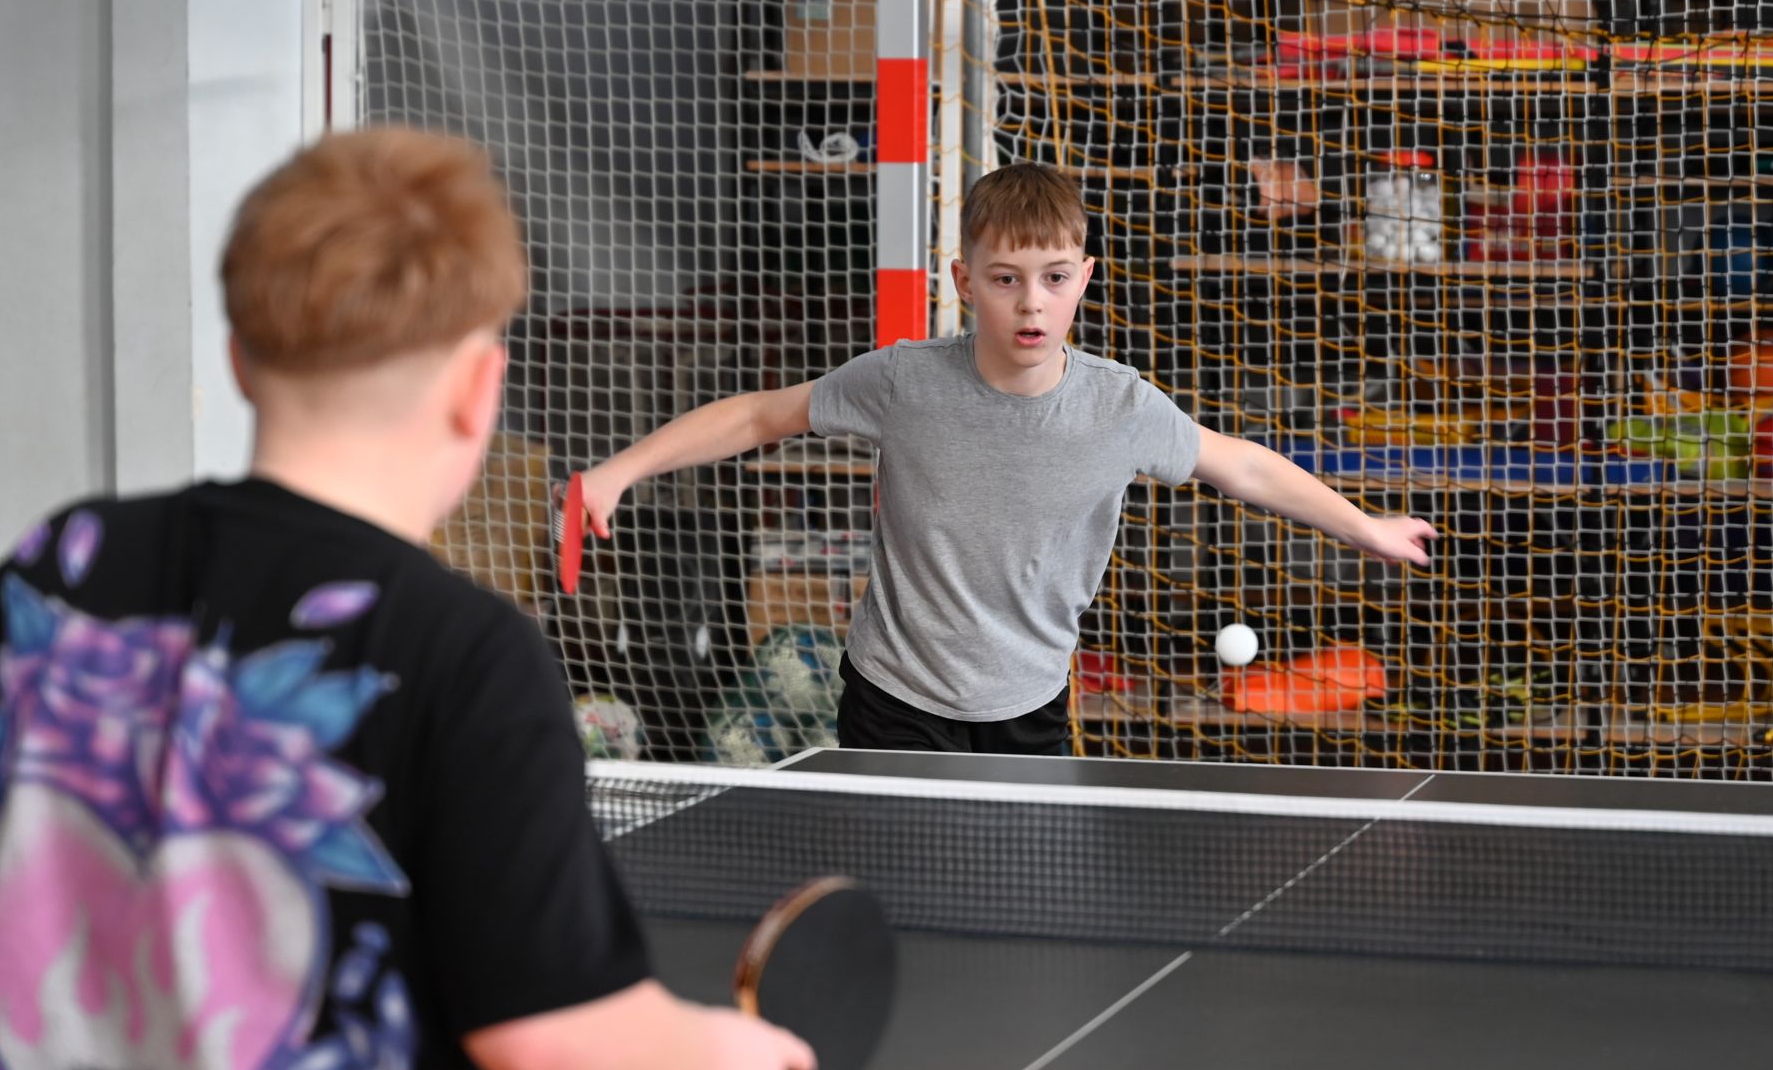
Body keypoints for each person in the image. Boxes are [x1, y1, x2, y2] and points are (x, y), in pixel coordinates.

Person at [0, 127, 812, 1070]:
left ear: (240, 356)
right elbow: (553, 1038)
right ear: (480, 387)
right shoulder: (463, 655)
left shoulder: (62, 567)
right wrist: (721, 1063)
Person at [576, 162, 1437, 755]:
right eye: (1005, 279)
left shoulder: (1120, 406)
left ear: (1083, 278)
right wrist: (618, 471)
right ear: (964, 279)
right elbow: (761, 414)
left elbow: (1240, 464)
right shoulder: (905, 380)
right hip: (894, 701)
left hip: (1027, 706)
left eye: (1054, 278)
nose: (1032, 303)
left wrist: (1362, 526)